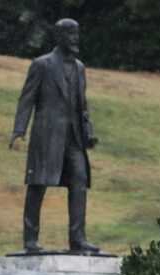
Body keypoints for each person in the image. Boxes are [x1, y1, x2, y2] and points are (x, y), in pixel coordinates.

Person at [10, 18, 100, 254]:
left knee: (79, 181)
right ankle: (31, 238)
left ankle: (78, 239)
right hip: (47, 135)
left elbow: (83, 105)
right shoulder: (43, 65)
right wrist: (19, 129)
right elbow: (27, 98)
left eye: (76, 34)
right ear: (59, 37)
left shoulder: (79, 67)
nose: (75, 39)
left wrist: (88, 131)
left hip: (74, 137)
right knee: (38, 183)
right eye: (70, 35)